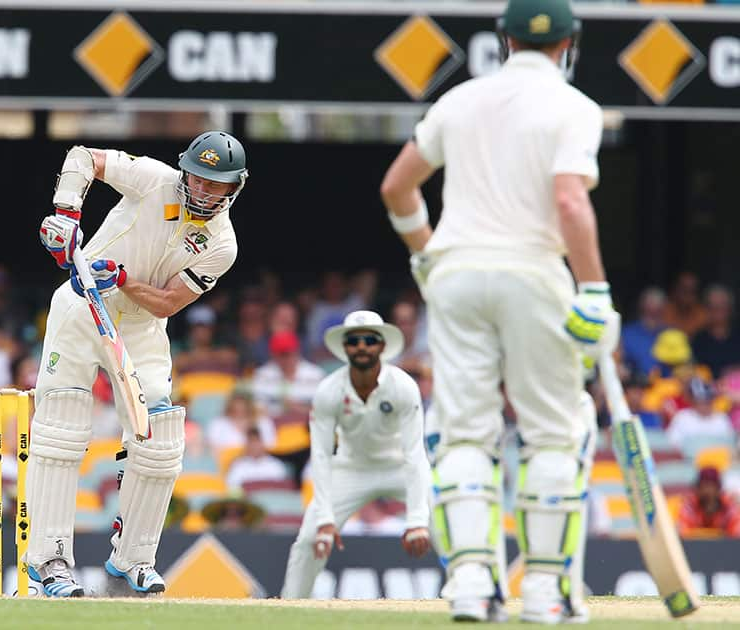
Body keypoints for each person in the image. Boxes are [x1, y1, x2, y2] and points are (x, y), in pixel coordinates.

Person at [378, 0, 616, 621]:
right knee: (554, 434)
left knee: (464, 433)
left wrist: (426, 254)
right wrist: (593, 288)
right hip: (533, 272)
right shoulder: (575, 108)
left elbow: (397, 188)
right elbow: (569, 202)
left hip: (456, 276)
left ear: (504, 40)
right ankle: (543, 591)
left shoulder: (460, 100)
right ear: (569, 44)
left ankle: (472, 585)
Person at [26, 131, 248, 596]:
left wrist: (123, 279)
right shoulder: (154, 179)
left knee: (160, 437)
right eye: (198, 177)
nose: (203, 190)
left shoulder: (221, 244)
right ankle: (49, 561)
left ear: (234, 187)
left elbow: (167, 302)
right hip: (81, 305)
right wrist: (65, 213)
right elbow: (84, 157)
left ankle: (134, 559)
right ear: (185, 169)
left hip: (142, 326)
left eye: (216, 184)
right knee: (61, 426)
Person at [280, 311, 431, 598]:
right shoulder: (328, 391)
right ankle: (291, 607)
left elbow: (414, 454)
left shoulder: (403, 386)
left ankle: (472, 593)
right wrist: (325, 518)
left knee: (447, 522)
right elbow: (322, 456)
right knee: (309, 539)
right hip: (351, 469)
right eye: (354, 341)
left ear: (382, 346)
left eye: (369, 340)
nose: (362, 346)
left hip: (398, 465)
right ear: (345, 347)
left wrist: (417, 520)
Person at [677, 466, 740, 538]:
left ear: (718, 489)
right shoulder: (690, 507)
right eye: (704, 486)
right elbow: (682, 534)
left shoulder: (729, 507)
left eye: (711, 486)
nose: (707, 491)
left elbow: (737, 536)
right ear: (697, 489)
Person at [224, 427, 289, 491]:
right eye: (251, 442)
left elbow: (281, 492)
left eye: (257, 441)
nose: (254, 446)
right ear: (246, 444)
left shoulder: (276, 466)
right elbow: (232, 490)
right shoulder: (238, 466)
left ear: (263, 443)